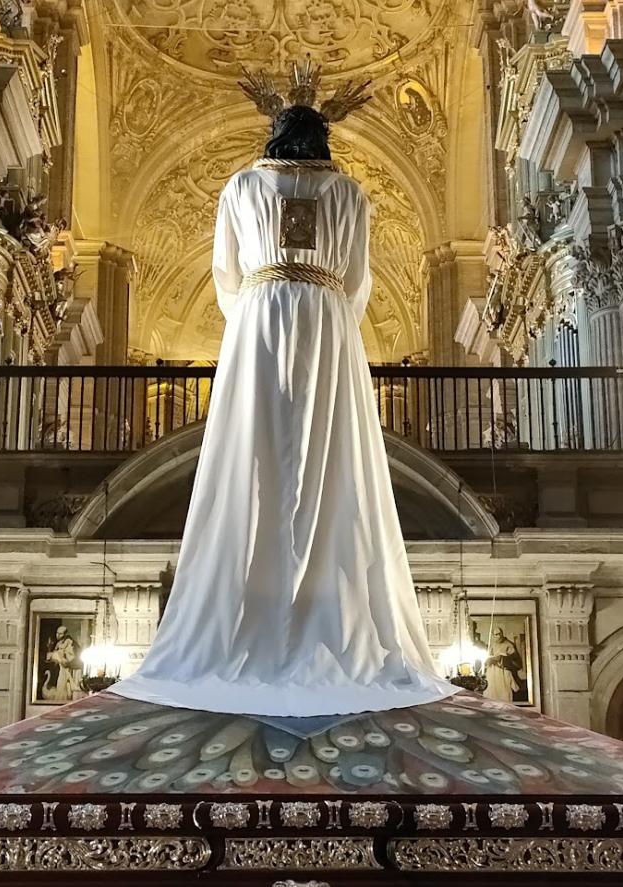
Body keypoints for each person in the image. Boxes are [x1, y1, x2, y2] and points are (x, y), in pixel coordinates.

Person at [113, 62, 456, 717]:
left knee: (259, 453)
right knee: (329, 460)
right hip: (328, 322)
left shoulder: (241, 186)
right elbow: (357, 281)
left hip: (259, 317)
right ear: (321, 139)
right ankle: (331, 616)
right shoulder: (351, 193)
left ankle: (255, 611)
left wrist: (258, 307)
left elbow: (225, 273)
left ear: (273, 137)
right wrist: (327, 313)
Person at [482, 626, 525, 702]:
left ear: (502, 633)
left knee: (504, 692)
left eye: (499, 634)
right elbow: (488, 657)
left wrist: (501, 658)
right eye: (496, 634)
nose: (498, 636)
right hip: (492, 671)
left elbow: (515, 660)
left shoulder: (509, 644)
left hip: (503, 671)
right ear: (493, 636)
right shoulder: (492, 645)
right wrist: (490, 660)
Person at [43, 625, 82, 702]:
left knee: (64, 687)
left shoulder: (69, 642)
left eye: (60, 633)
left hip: (67, 670)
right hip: (61, 669)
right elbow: (54, 655)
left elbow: (71, 657)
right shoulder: (59, 643)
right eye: (57, 633)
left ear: (64, 634)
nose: (58, 635)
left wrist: (61, 656)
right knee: (60, 686)